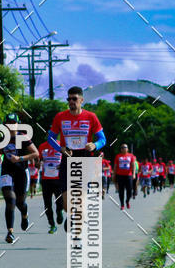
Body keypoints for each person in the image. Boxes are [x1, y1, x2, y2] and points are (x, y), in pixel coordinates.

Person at [48, 86, 106, 231]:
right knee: (67, 203)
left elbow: (103, 139)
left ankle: (78, 238)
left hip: (85, 159)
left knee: (80, 200)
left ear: (81, 100)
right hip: (68, 158)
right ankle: (72, 215)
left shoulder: (91, 117)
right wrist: (59, 149)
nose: (71, 102)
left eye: (74, 99)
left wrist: (95, 145)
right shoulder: (60, 117)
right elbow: (50, 139)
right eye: (69, 99)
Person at [0, 114, 39, 244]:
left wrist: (20, 159)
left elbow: (35, 153)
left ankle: (24, 215)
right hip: (6, 171)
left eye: (13, 122)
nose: (10, 124)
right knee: (10, 200)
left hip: (21, 171)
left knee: (20, 202)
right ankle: (10, 232)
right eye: (8, 122)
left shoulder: (22, 136)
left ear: (18, 124)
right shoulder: (3, 138)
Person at [37, 138, 63, 233]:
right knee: (47, 204)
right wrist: (38, 163)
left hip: (58, 179)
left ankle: (59, 212)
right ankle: (52, 225)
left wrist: (63, 165)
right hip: (46, 179)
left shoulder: (62, 145)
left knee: (60, 202)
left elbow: (68, 159)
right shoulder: (42, 146)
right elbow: (38, 160)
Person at [113, 144, 136, 210]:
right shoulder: (118, 156)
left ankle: (127, 201)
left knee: (129, 190)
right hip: (120, 175)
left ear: (127, 149)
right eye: (122, 147)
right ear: (121, 149)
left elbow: (133, 165)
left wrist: (134, 174)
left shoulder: (131, 156)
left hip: (129, 175)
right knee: (121, 191)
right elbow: (115, 166)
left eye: (125, 147)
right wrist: (114, 175)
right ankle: (122, 204)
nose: (123, 148)